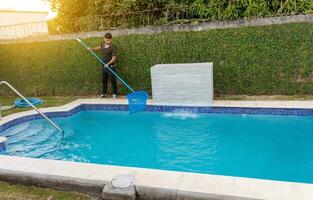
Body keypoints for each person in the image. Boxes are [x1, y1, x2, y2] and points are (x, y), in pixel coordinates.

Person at [88, 33, 118, 98]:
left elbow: (114, 58)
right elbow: (99, 47)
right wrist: (92, 49)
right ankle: (104, 93)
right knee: (104, 80)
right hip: (103, 65)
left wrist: (108, 64)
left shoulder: (113, 47)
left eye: (109, 40)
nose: (108, 42)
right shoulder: (103, 44)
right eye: (107, 40)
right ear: (104, 39)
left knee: (113, 80)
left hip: (111, 66)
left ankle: (114, 94)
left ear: (111, 39)